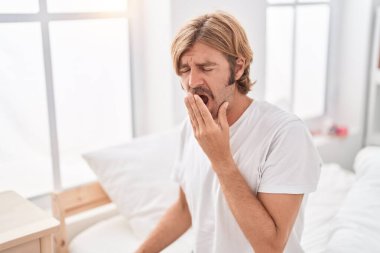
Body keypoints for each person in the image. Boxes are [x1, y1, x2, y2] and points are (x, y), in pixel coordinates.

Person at [135, 11, 321, 253]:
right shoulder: (191, 128)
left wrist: (221, 159)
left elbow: (270, 246)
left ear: (238, 68)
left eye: (205, 67)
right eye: (184, 69)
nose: (192, 81)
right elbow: (185, 209)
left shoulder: (285, 134)